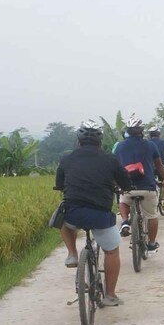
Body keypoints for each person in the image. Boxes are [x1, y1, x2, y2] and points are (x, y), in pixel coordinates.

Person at [54, 120, 132, 307]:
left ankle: (72, 253)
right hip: (101, 216)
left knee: (61, 221)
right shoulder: (110, 159)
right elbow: (126, 184)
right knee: (112, 251)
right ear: (100, 141)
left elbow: (59, 185)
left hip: (74, 214)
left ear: (78, 141)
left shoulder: (66, 159)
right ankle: (110, 295)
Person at [116, 116, 164, 254]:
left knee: (123, 202)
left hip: (127, 188)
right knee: (152, 216)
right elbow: (159, 166)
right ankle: (152, 244)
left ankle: (124, 222)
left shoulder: (120, 146)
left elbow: (115, 166)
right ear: (142, 131)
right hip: (147, 187)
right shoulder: (150, 145)